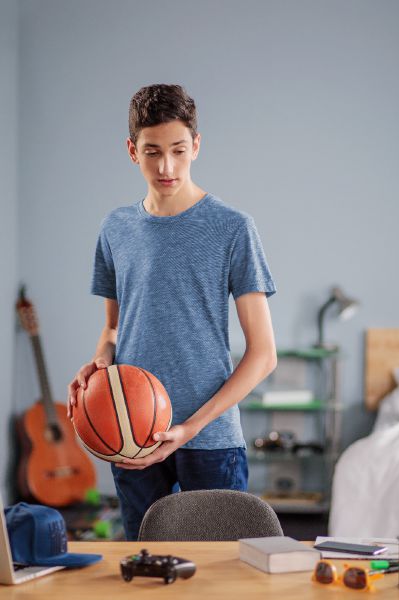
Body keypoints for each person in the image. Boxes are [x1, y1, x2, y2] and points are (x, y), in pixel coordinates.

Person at [67, 84, 278, 540]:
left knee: (223, 570)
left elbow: (263, 355)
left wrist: (189, 428)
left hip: (210, 437)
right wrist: (99, 364)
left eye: (179, 150)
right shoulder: (115, 228)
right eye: (152, 152)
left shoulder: (233, 228)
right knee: (145, 566)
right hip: (131, 432)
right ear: (132, 151)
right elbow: (112, 329)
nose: (166, 167)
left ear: (196, 146)